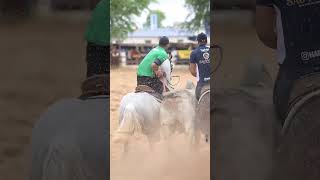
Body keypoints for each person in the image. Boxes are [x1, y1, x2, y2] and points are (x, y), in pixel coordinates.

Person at [256, 0, 320, 124]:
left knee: (278, 126)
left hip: (294, 74)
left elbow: (265, 33)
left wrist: (291, 47)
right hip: (294, 71)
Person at [189, 33, 211, 100]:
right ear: (206, 41)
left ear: (197, 41)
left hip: (202, 84)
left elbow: (192, 71)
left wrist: (202, 75)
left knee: (196, 102)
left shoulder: (194, 53)